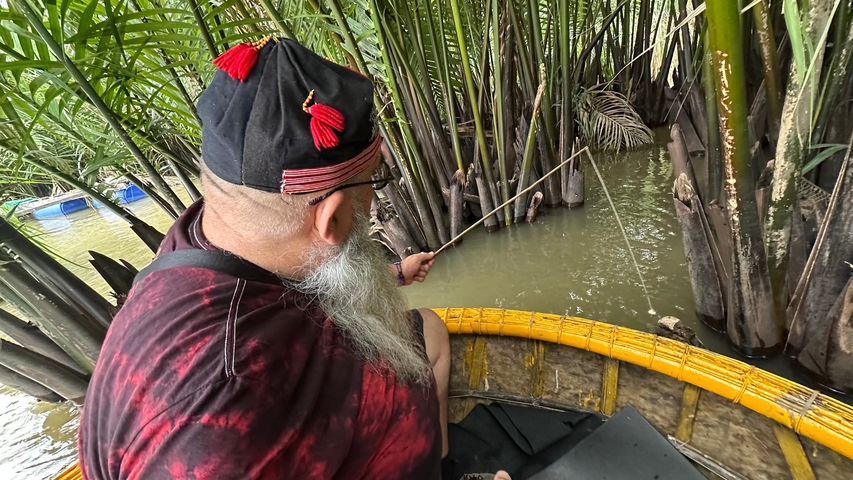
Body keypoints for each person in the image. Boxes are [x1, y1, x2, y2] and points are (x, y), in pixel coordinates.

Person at [78, 36, 511, 480]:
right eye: (372, 185)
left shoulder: (202, 237)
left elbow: (317, 280)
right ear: (334, 217)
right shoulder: (222, 413)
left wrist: (395, 273)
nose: (372, 206)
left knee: (429, 331)